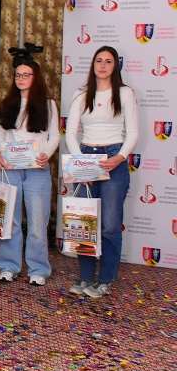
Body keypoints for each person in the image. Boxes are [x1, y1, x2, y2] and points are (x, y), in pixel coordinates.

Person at [65, 45, 138, 298]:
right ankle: (85, 277)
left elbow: (133, 132)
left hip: (114, 158)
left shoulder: (125, 93)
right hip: (86, 157)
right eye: (99, 60)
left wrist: (119, 158)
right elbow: (70, 133)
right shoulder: (81, 93)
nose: (103, 65)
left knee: (109, 226)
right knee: (84, 222)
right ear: (93, 64)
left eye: (108, 61)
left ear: (115, 66)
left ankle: (105, 280)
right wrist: (81, 163)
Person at [0, 58, 60, 286]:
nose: (20, 79)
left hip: (36, 170)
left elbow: (54, 136)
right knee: (9, 221)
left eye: (26, 75)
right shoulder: (8, 103)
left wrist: (46, 154)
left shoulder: (48, 104)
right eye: (17, 75)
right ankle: (8, 266)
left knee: (37, 223)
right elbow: (1, 134)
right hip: (10, 169)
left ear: (36, 77)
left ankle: (38, 269)